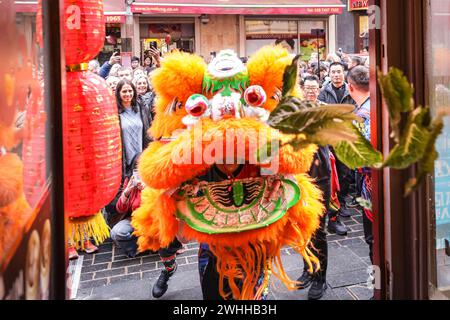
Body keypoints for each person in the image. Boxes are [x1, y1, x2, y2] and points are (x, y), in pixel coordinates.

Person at [105, 79, 152, 258]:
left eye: (129, 91)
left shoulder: (140, 108)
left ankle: (148, 233)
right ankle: (128, 227)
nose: (127, 94)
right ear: (118, 94)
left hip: (141, 156)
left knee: (145, 195)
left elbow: (148, 132)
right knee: (126, 191)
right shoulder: (115, 112)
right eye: (124, 91)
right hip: (124, 159)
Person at [296, 75, 332, 299]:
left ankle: (321, 278)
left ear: (319, 90)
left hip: (320, 177)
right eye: (307, 88)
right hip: (300, 177)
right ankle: (308, 269)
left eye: (314, 88)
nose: (311, 91)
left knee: (318, 230)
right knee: (301, 229)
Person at [318, 62, 356, 234]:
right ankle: (336, 208)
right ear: (329, 74)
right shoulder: (324, 92)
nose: (336, 75)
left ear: (344, 73)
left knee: (346, 172)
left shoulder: (351, 90)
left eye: (339, 72)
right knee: (334, 175)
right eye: (333, 72)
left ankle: (343, 202)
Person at [347, 66, 373, 263]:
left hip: (372, 184)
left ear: (350, 87)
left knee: (374, 238)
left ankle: (380, 288)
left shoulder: (362, 116)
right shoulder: (379, 104)